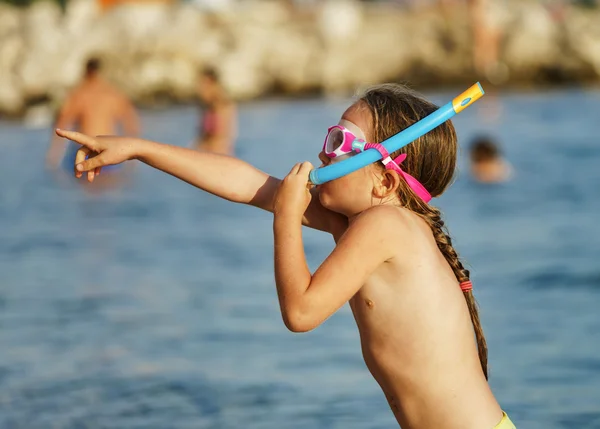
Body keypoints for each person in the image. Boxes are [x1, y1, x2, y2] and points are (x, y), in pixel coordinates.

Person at [55, 83, 516, 429]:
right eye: (329, 135)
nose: (321, 151)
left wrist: (286, 219)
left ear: (384, 181)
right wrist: (139, 148)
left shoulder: (386, 227)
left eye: (339, 143)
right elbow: (247, 184)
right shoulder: (369, 223)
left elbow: (300, 312)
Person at [46, 57, 140, 187]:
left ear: (86, 71)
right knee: (109, 190)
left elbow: (61, 125)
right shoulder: (113, 94)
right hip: (109, 149)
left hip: (85, 151)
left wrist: (53, 157)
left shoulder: (79, 94)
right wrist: (131, 157)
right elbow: (131, 123)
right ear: (100, 72)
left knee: (85, 189)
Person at [194, 67, 237, 155]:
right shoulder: (207, 107)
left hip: (218, 157)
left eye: (204, 84)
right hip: (208, 156)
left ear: (213, 84)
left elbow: (221, 136)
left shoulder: (221, 105)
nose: (200, 89)